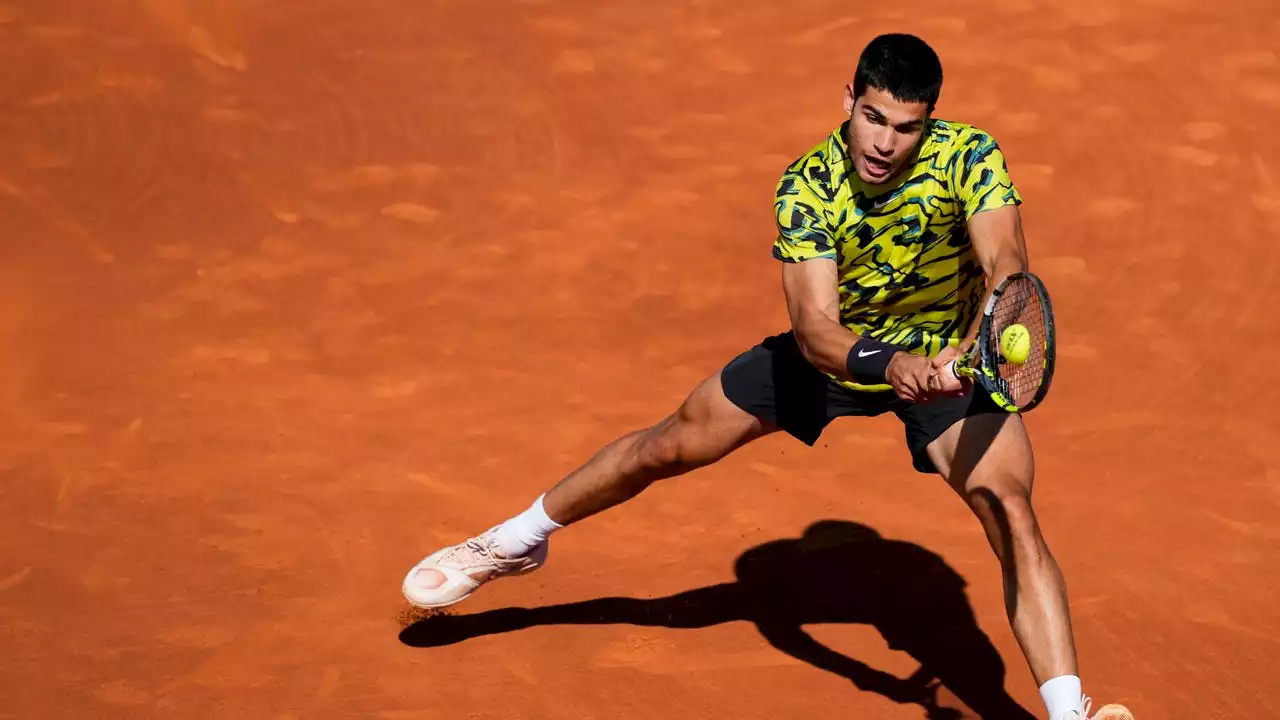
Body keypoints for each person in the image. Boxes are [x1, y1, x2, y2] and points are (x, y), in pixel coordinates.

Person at [402, 33, 1133, 720]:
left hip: (948, 353)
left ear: (929, 123)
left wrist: (970, 344)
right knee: (668, 446)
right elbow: (816, 331)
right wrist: (892, 365)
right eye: (872, 117)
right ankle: (517, 539)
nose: (883, 142)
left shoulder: (971, 158)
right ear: (848, 98)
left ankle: (1069, 713)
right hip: (844, 355)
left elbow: (1008, 264)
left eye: (905, 128)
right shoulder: (809, 185)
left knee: (1009, 509)